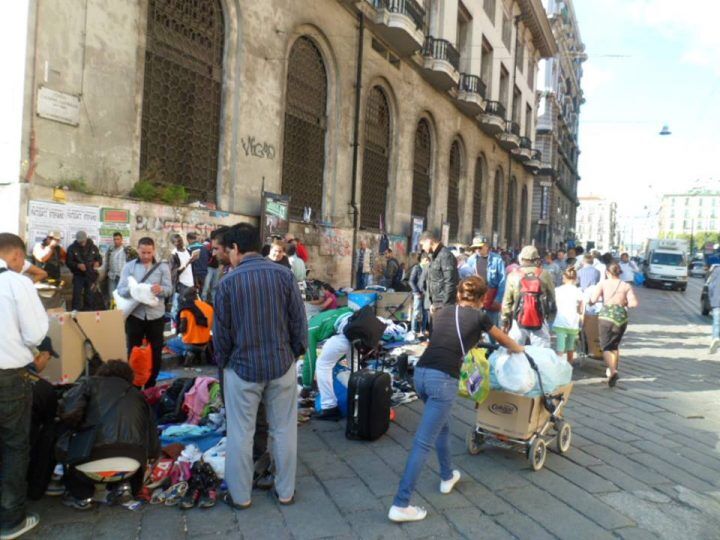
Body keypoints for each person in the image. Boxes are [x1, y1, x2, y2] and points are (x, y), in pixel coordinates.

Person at [388, 277, 525, 522]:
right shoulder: (480, 317)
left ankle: (447, 475)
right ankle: (401, 503)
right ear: (482, 299)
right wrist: (520, 349)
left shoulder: (441, 312)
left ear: (459, 295)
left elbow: (439, 340)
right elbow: (504, 341)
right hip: (442, 380)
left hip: (420, 375)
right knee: (422, 442)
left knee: (441, 426)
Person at [213, 224, 307, 509]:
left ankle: (241, 497)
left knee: (241, 433)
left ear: (235, 249)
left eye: (227, 250)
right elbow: (298, 323)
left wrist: (225, 364)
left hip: (242, 369)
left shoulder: (228, 283)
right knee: (284, 430)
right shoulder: (284, 275)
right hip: (281, 364)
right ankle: (286, 492)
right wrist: (293, 353)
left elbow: (222, 335)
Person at [56, 360, 160, 510]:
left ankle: (81, 496)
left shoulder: (89, 384)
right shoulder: (139, 396)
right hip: (132, 467)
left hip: (88, 464)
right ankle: (122, 487)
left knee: (65, 438)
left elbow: (68, 413)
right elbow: (152, 445)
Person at [0, 233, 49, 540]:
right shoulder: (16, 283)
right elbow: (35, 334)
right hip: (8, 378)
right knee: (14, 445)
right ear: (16, 256)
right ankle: (10, 520)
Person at [117, 237, 173, 388]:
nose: (146, 256)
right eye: (143, 252)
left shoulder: (162, 267)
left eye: (149, 252)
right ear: (138, 250)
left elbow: (169, 290)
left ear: (153, 250)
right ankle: (133, 385)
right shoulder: (129, 267)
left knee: (155, 352)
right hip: (135, 315)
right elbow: (120, 290)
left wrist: (160, 289)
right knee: (133, 350)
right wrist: (134, 290)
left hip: (156, 315)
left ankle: (150, 385)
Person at [589, 262, 639, 387]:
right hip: (621, 318)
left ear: (607, 273)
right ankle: (613, 368)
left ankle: (612, 371)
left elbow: (593, 300)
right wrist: (624, 302)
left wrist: (590, 302)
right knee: (615, 345)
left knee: (605, 346)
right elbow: (634, 304)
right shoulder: (626, 285)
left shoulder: (603, 284)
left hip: (606, 317)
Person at [501, 245, 556, 347]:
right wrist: (549, 318)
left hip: (518, 320)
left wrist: (505, 321)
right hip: (539, 318)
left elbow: (507, 302)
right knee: (540, 355)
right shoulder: (545, 274)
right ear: (537, 259)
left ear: (521, 259)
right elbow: (552, 298)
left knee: (514, 353)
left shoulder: (513, 275)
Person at [166, 286, 214, 366]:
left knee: (169, 343)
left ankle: (186, 353)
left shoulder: (186, 309)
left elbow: (182, 329)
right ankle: (192, 353)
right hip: (205, 342)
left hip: (190, 343)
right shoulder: (209, 307)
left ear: (186, 298)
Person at [465, 237, 506, 328]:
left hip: (491, 297)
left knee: (491, 326)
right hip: (476, 297)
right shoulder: (471, 260)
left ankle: (492, 342)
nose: (477, 250)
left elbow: (502, 282)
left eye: (480, 247)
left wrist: (498, 300)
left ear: (486, 246)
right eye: (475, 248)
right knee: (474, 326)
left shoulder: (497, 259)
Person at [419, 230, 458, 315]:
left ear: (429, 241)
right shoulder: (434, 256)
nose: (422, 248)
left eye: (422, 244)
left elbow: (450, 282)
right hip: (435, 303)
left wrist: (444, 305)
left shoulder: (445, 255)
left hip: (443, 304)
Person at [552, 267, 584, 365]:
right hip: (573, 320)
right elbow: (581, 308)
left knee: (560, 346)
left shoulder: (557, 290)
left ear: (564, 277)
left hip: (561, 319)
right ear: (575, 279)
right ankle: (569, 364)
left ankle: (559, 365)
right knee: (570, 345)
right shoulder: (578, 291)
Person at [66, 231, 103, 311]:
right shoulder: (72, 248)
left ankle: (88, 314)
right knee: (76, 296)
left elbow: (99, 259)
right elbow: (68, 262)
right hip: (78, 276)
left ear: (86, 238)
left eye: (83, 241)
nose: (82, 243)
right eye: (80, 242)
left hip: (91, 275)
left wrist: (98, 263)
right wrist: (77, 265)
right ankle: (75, 314)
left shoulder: (93, 247)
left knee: (89, 296)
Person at [104, 232, 138, 299]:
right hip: (112, 276)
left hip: (122, 276)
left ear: (121, 239)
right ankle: (113, 308)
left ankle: (120, 309)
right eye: (115, 239)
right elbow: (107, 262)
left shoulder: (127, 249)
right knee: (112, 295)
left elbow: (137, 259)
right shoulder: (110, 249)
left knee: (121, 295)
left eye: (118, 239)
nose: (116, 241)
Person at [170, 234, 197, 310]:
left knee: (190, 305)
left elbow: (192, 268)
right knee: (180, 306)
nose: (179, 242)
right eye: (177, 242)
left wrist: (196, 281)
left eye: (180, 240)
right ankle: (176, 321)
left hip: (191, 283)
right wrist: (188, 263)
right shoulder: (174, 254)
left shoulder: (188, 250)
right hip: (182, 284)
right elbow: (173, 272)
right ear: (173, 243)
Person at [203, 226, 230, 302]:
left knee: (214, 287)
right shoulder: (207, 248)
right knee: (206, 286)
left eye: (217, 248)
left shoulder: (234, 272)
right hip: (210, 268)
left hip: (216, 268)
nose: (215, 253)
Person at [408, 253, 429, 335]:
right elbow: (411, 281)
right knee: (416, 313)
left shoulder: (428, 268)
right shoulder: (416, 268)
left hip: (426, 294)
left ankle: (423, 331)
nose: (428, 262)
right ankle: (414, 331)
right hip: (418, 294)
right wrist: (417, 292)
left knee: (425, 313)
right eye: (427, 260)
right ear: (423, 260)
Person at [707, 266, 720, 354]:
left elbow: (710, 286)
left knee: (717, 322)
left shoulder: (717, 270)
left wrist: (711, 299)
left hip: (717, 301)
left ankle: (715, 338)